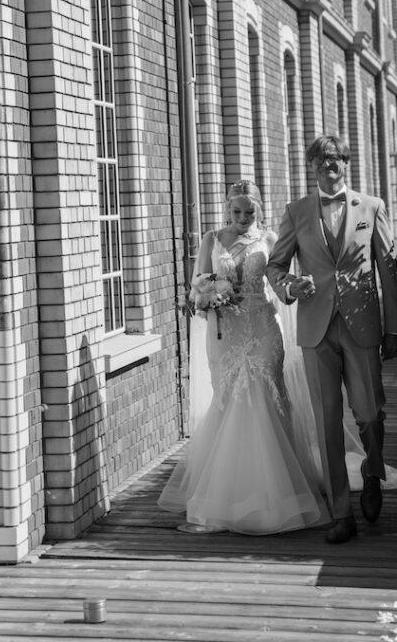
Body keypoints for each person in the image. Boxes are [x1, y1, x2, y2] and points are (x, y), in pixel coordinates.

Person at [158, 181, 330, 534]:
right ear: (227, 208)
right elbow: (196, 286)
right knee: (229, 398)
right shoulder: (211, 240)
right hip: (225, 332)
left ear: (258, 209)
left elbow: (280, 280)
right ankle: (229, 491)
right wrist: (207, 296)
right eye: (236, 211)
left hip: (263, 326)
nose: (242, 217)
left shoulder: (269, 240)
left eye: (249, 211)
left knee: (267, 395)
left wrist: (295, 287)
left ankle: (281, 490)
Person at [267, 134, 397, 544]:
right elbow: (275, 266)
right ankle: (341, 514)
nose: (328, 164)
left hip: (362, 325)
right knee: (327, 421)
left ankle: (372, 472)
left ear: (346, 163)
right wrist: (290, 286)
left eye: (335, 158)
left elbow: (389, 269)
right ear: (312, 166)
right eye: (321, 159)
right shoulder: (296, 212)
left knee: (370, 413)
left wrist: (394, 327)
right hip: (316, 329)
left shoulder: (372, 207)